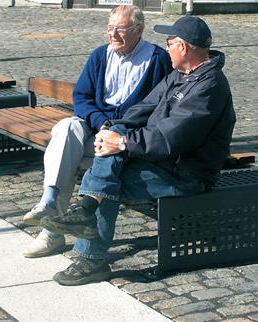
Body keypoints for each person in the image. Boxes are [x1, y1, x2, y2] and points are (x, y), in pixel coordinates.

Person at [40, 16, 236, 286]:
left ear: (184, 47)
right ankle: (86, 218)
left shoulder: (209, 86)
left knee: (106, 183)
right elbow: (143, 108)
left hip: (186, 174)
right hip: (162, 163)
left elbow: (172, 137)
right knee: (106, 169)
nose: (166, 48)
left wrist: (122, 143)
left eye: (169, 43)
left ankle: (92, 256)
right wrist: (113, 130)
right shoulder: (181, 75)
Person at [23, 5, 172, 258]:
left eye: (120, 30)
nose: (113, 35)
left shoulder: (157, 59)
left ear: (139, 30)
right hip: (95, 127)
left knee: (68, 160)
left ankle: (52, 233)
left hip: (126, 136)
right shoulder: (100, 55)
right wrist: (100, 121)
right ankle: (49, 201)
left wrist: (117, 130)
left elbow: (160, 107)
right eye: (110, 28)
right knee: (66, 127)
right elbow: (81, 97)